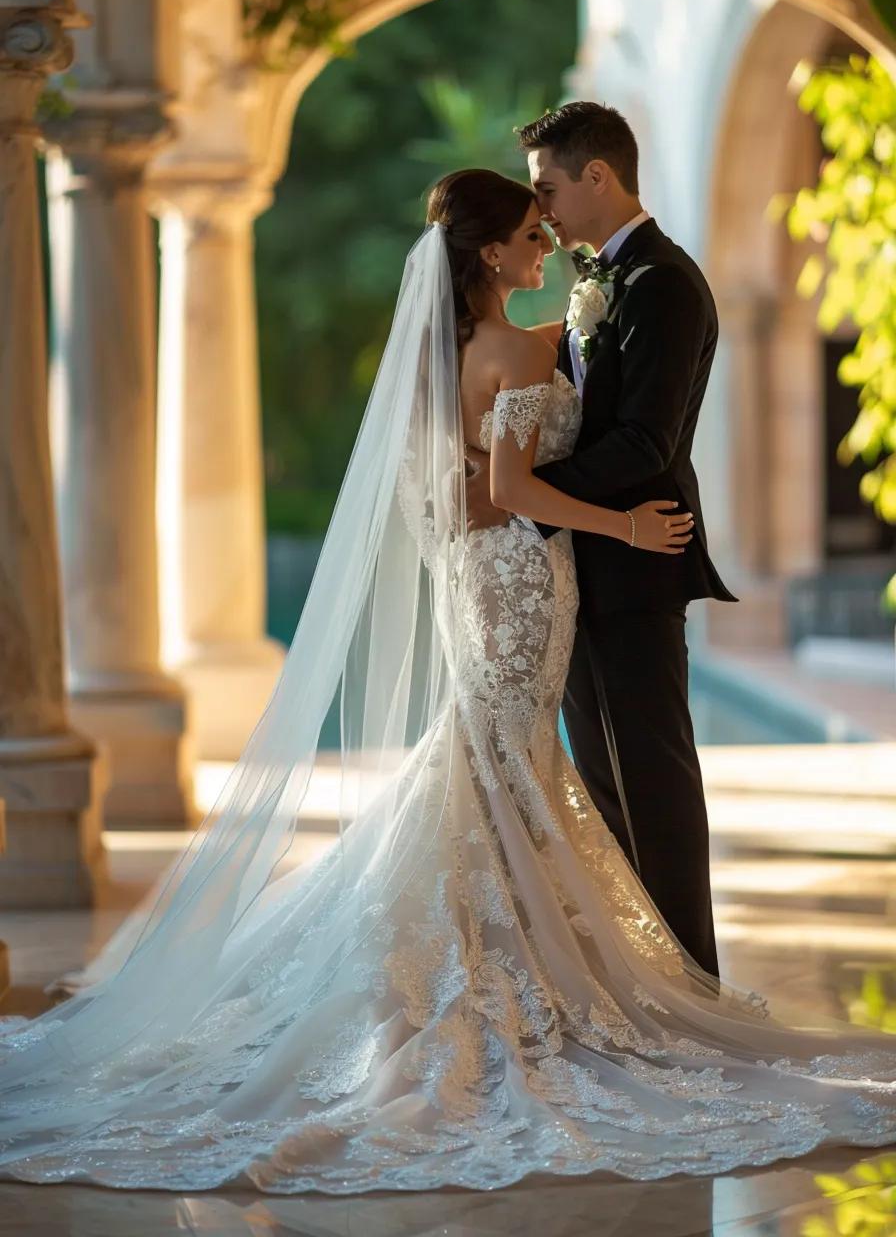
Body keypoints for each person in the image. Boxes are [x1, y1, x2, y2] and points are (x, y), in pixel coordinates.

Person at [0, 169, 893, 1196]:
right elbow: (510, 489)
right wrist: (628, 525)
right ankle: (498, 978)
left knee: (489, 762)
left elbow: (460, 484)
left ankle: (490, 962)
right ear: (485, 257)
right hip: (520, 576)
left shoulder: (453, 349)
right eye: (525, 233)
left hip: (487, 577)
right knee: (503, 762)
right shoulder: (513, 346)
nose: (541, 244)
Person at [466, 103, 735, 978]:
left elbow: (644, 443)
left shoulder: (662, 283)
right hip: (578, 567)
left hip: (635, 562)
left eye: (547, 188)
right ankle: (641, 982)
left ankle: (691, 979)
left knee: (651, 783)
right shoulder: (600, 280)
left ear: (597, 178)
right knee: (605, 788)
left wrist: (524, 501)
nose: (539, 210)